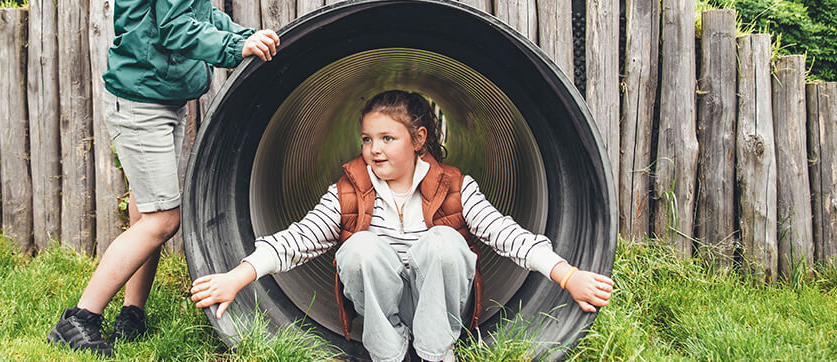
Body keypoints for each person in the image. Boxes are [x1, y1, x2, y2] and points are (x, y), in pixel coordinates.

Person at [48, 0, 280, 357]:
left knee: (145, 209)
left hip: (155, 94)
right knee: (163, 219)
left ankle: (133, 313)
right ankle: (80, 318)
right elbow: (178, 30)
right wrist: (232, 46)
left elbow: (196, 15)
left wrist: (241, 34)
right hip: (143, 100)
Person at [190, 90, 613, 362]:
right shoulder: (350, 188)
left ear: (419, 138)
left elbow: (506, 233)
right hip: (381, 306)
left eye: (387, 139)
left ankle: (434, 354)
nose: (374, 150)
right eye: (367, 139)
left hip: (438, 302)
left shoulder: (453, 186)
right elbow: (296, 239)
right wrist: (236, 278)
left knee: (444, 241)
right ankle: (387, 356)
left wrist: (569, 275)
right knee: (358, 248)